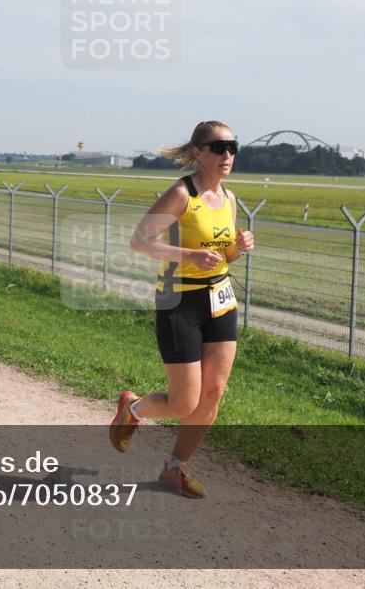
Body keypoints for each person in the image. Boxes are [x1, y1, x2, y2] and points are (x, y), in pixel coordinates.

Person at [109, 120, 255, 498]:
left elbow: (222, 257)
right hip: (179, 302)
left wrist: (238, 248)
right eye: (218, 147)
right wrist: (189, 254)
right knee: (184, 401)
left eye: (232, 147)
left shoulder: (230, 199)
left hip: (221, 301)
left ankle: (175, 469)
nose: (227, 155)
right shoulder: (180, 194)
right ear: (198, 153)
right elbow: (140, 241)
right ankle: (134, 409)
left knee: (213, 394)